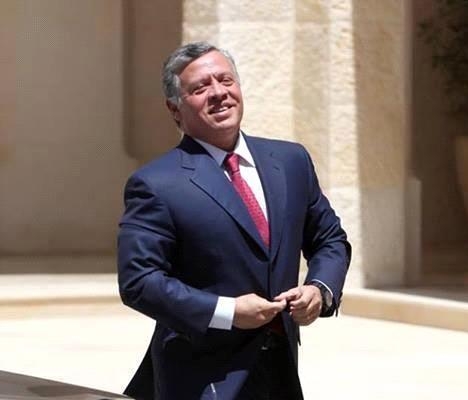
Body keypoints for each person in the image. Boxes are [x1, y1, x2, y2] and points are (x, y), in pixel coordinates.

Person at [117, 41, 351, 400]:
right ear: (175, 109)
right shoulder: (156, 183)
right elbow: (139, 281)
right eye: (200, 87)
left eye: (225, 80)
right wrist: (227, 311)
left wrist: (319, 290)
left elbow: (329, 238)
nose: (218, 93)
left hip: (281, 371)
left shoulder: (291, 161)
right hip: (202, 378)